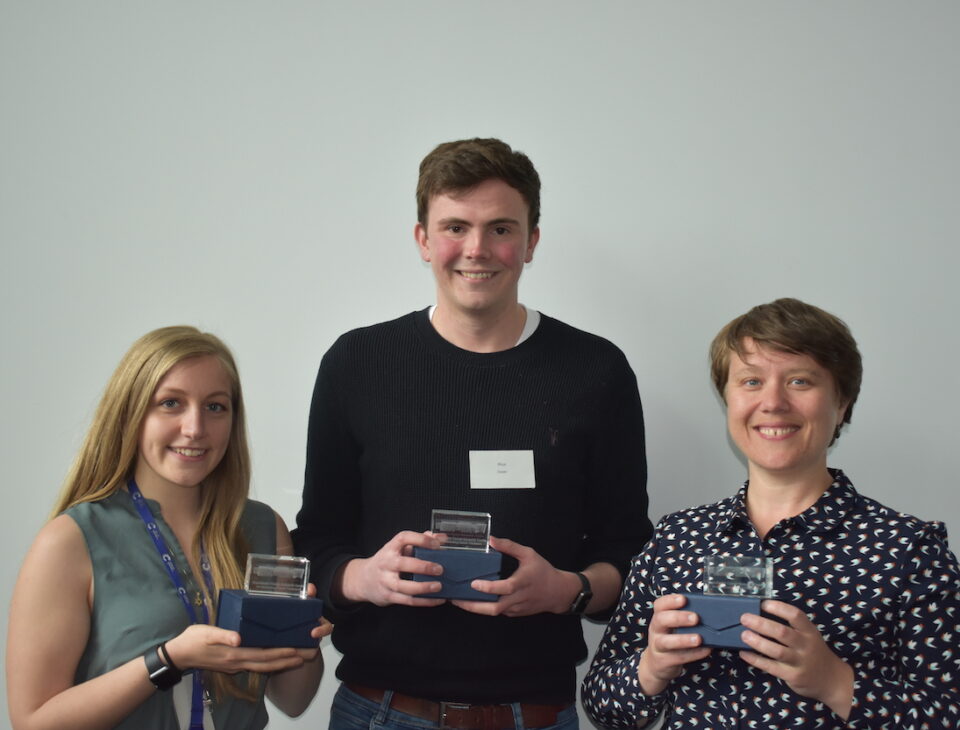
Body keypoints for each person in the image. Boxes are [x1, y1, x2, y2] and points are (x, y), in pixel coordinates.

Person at [293, 137, 652, 729]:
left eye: (501, 229)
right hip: (380, 709)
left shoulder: (596, 371)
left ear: (532, 241)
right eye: (455, 226)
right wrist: (366, 578)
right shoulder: (357, 363)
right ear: (423, 240)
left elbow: (628, 549)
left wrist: (566, 590)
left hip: (535, 712)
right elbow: (318, 537)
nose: (477, 250)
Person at [582, 298, 960, 729]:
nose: (773, 402)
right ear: (727, 398)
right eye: (751, 381)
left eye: (800, 381)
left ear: (842, 403)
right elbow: (602, 707)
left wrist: (835, 681)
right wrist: (651, 669)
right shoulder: (677, 537)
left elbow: (947, 714)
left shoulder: (908, 550)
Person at [6, 326, 333, 730]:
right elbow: (33, 721)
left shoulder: (264, 527)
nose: (195, 428)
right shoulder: (71, 539)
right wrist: (169, 660)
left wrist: (303, 638)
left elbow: (294, 700)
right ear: (131, 413)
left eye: (215, 407)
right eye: (171, 403)